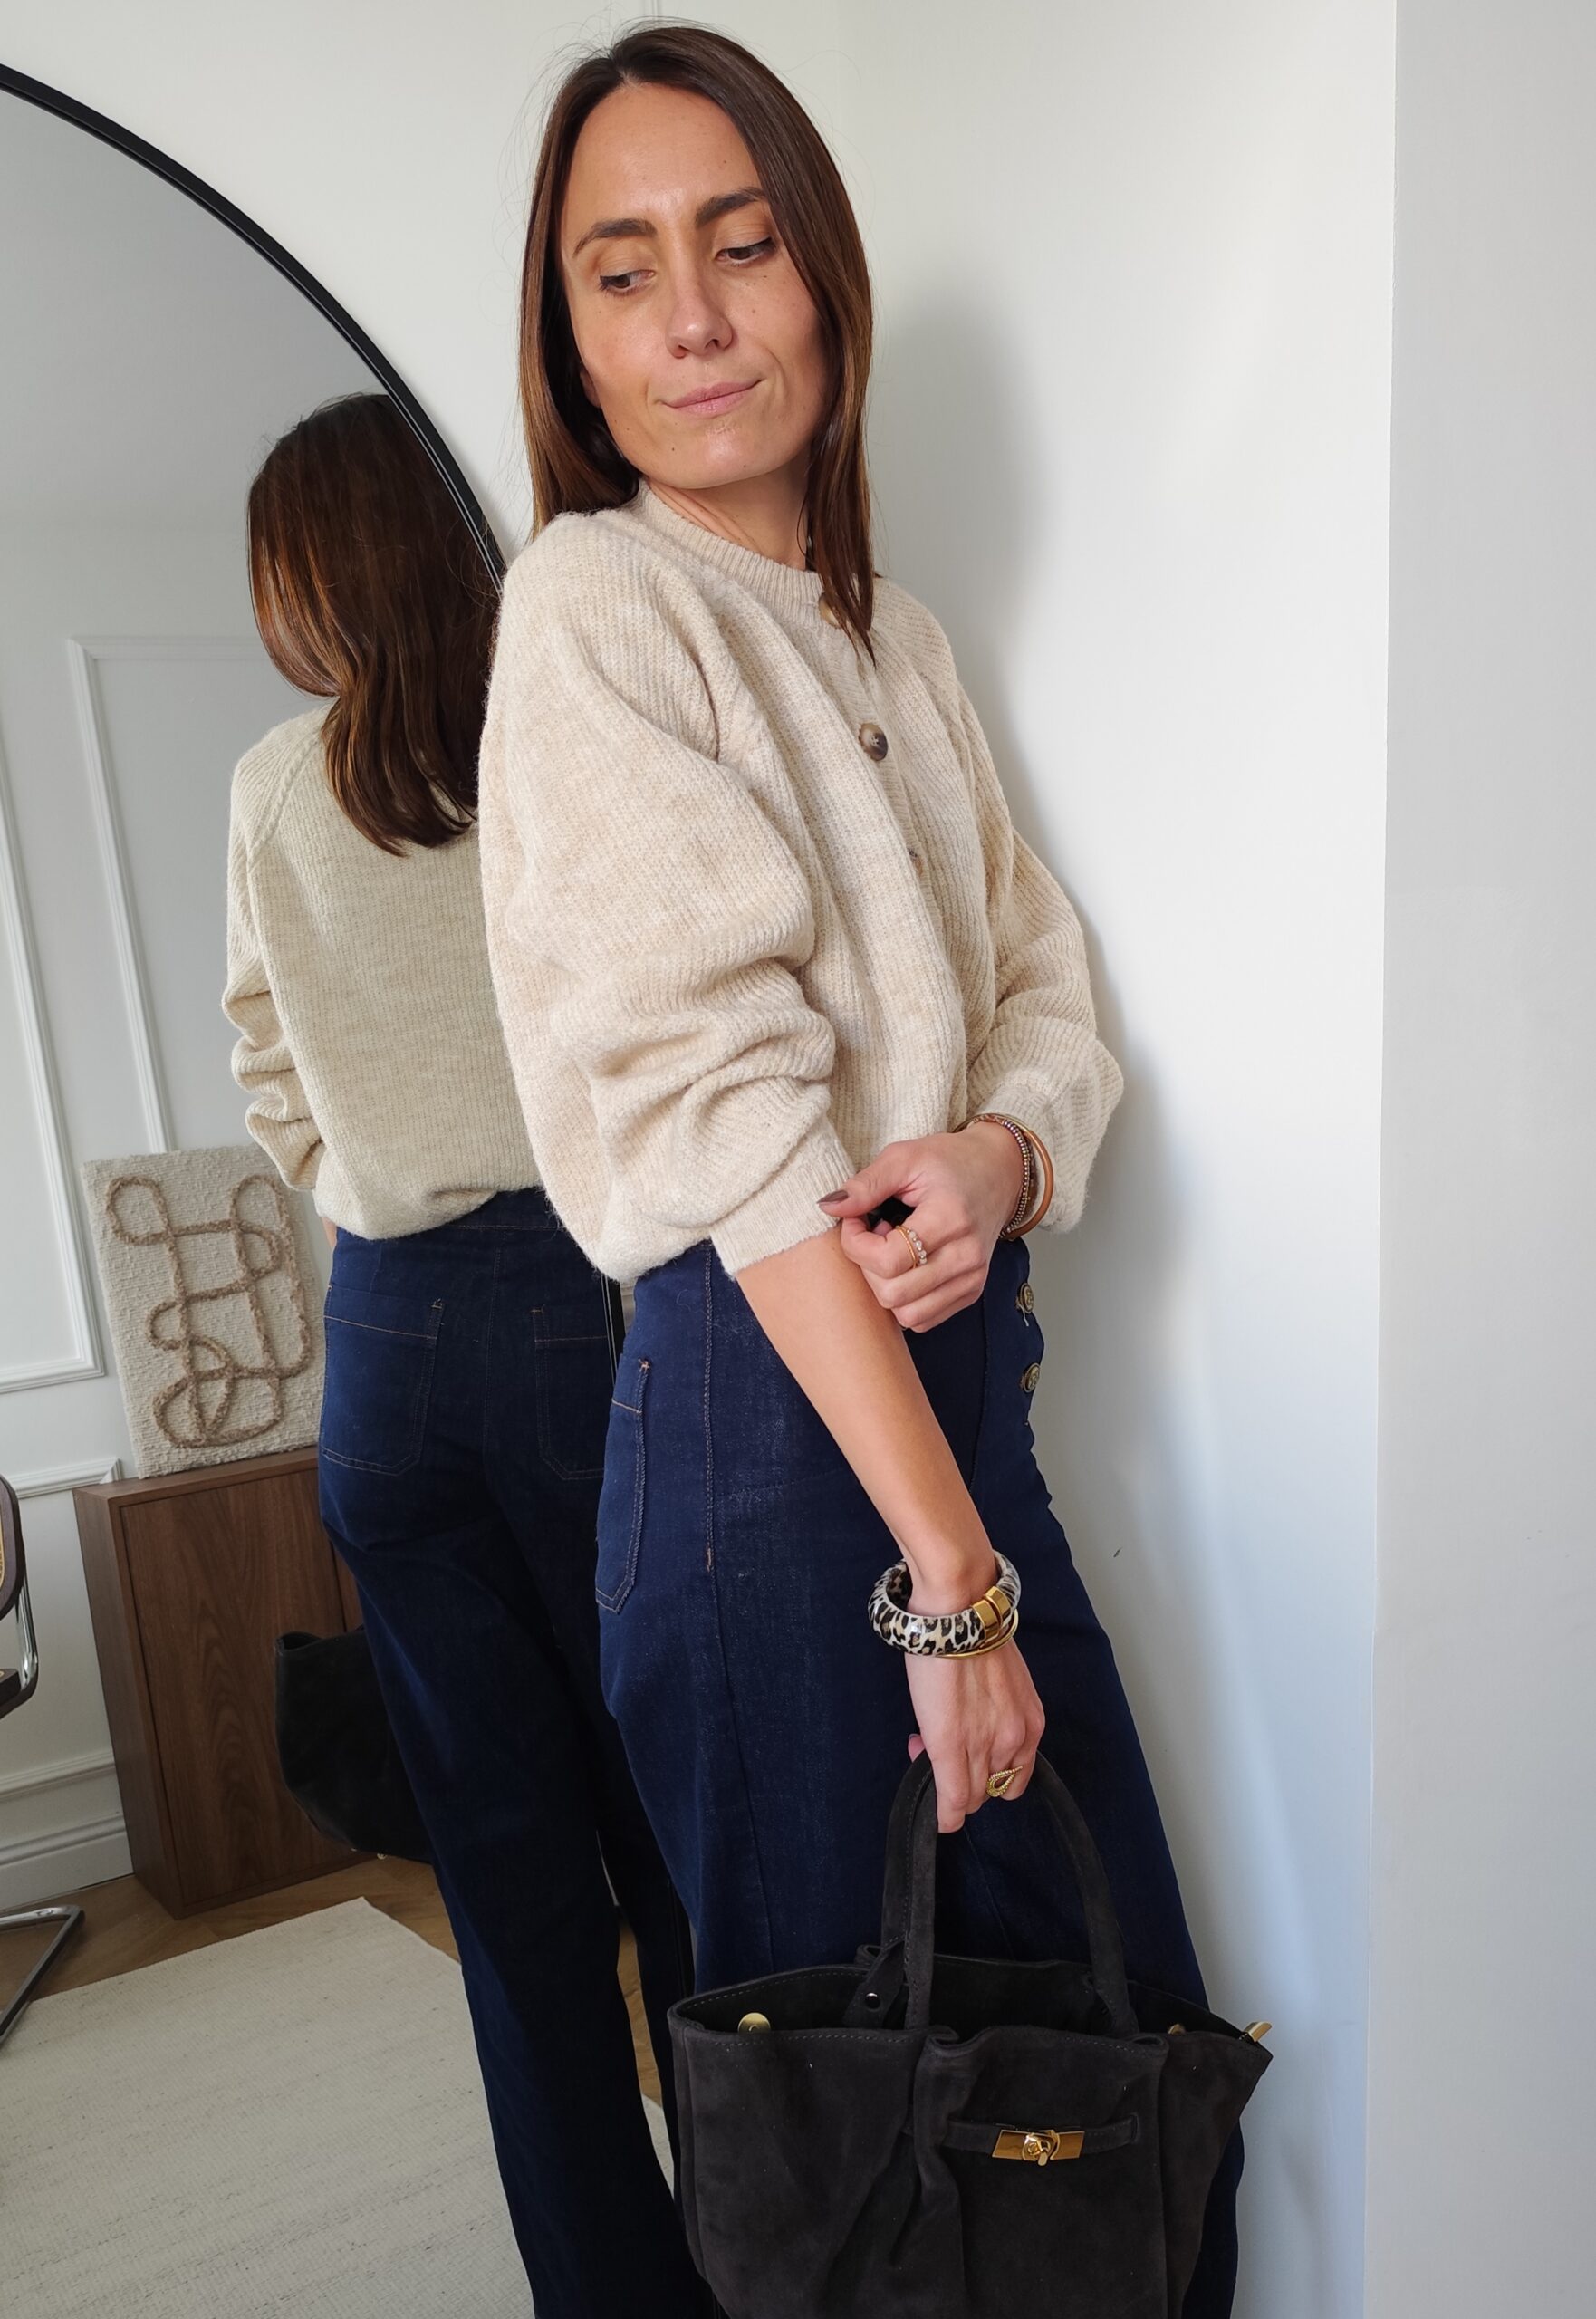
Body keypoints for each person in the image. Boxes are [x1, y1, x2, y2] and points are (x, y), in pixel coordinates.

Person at [481, 25, 1245, 2314]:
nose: (693, 316)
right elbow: (726, 1118)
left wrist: (1004, 1151)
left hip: (952, 1420)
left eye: (740, 244)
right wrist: (945, 1578)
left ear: (822, 275)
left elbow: (1042, 985)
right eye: (621, 270)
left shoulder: (883, 626)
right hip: (769, 1433)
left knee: (1102, 2055)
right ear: (571, 345)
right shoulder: (596, 607)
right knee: (842, 2149)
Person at [223, 391, 706, 2319]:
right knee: (677, 1838)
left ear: (312, 582)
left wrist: (358, 1169)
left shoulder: (272, 789)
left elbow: (263, 1059)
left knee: (510, 1893)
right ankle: (762, 2250)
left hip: (382, 1340)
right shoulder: (555, 725)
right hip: (581, 1301)